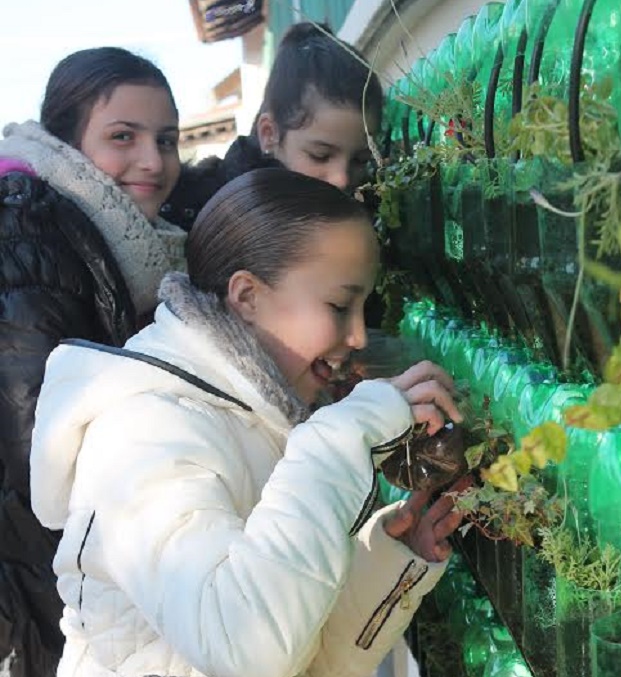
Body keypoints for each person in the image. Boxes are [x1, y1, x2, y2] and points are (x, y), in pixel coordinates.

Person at [30, 167, 467, 677]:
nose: (357, 338)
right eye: (339, 305)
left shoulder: (252, 416)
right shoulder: (144, 431)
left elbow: (297, 657)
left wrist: (384, 566)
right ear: (247, 296)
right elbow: (244, 649)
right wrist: (337, 439)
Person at [0, 47, 185, 675]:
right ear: (68, 143)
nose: (153, 161)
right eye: (123, 137)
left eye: (166, 139)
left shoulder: (128, 239)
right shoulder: (26, 236)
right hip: (53, 587)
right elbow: (42, 454)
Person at [161, 21, 382, 230]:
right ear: (269, 134)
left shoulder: (373, 210)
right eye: (320, 155)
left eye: (360, 160)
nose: (342, 179)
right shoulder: (199, 214)